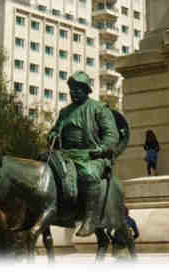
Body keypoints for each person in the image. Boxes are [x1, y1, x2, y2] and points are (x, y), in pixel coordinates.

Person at [47, 70, 120, 237]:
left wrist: (101, 149)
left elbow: (111, 135)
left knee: (88, 174)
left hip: (92, 155)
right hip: (65, 154)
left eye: (78, 88)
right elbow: (55, 130)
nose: (74, 92)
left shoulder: (99, 109)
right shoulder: (65, 112)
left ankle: (90, 219)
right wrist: (52, 135)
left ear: (87, 90)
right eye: (72, 88)